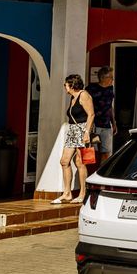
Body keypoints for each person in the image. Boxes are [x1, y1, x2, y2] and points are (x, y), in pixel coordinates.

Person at [56, 74, 94, 205]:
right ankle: (67, 193)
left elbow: (91, 114)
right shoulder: (73, 97)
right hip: (72, 130)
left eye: (66, 84)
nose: (65, 87)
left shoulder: (84, 95)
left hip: (82, 129)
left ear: (71, 85)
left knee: (80, 162)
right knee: (64, 161)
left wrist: (87, 132)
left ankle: (83, 193)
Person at [88, 66, 116, 164]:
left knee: (106, 152)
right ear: (103, 78)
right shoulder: (91, 89)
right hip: (94, 125)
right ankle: (91, 175)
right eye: (111, 77)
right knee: (92, 152)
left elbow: (109, 107)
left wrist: (114, 123)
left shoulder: (110, 89)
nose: (112, 79)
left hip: (106, 125)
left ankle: (101, 175)